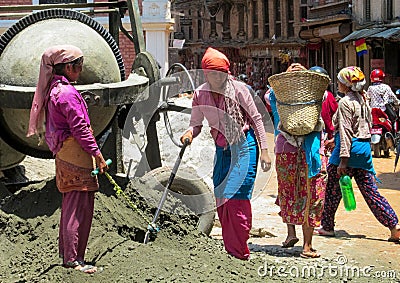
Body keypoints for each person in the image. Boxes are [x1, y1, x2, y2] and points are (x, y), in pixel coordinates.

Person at [180, 47, 272, 260]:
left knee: (236, 198)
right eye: (213, 74)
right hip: (222, 149)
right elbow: (196, 124)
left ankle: (239, 251)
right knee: (221, 198)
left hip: (244, 146)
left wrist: (265, 151)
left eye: (221, 73)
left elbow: (257, 119)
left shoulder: (239, 90)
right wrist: (189, 133)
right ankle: (231, 249)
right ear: (206, 73)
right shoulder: (200, 94)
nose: (217, 78)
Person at [27, 45, 108, 273]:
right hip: (76, 156)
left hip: (66, 155)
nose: (81, 70)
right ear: (69, 67)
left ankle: (69, 256)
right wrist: (98, 155)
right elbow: (81, 129)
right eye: (79, 66)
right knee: (78, 208)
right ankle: (74, 260)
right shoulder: (66, 94)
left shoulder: (55, 90)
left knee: (71, 205)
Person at [315, 66, 400, 241]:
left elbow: (346, 132)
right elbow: (361, 127)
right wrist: (334, 140)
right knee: (371, 193)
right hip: (363, 151)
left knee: (332, 190)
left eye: (339, 81)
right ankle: (394, 225)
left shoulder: (346, 102)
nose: (337, 84)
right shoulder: (364, 99)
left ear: (345, 84)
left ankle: (327, 226)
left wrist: (343, 162)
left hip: (347, 152)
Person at [271, 63, 327, 258]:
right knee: (311, 194)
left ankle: (290, 234)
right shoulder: (320, 96)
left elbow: (271, 97)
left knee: (288, 191)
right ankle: (307, 246)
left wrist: (286, 79)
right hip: (311, 151)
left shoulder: (276, 95)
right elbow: (327, 119)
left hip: (286, 150)